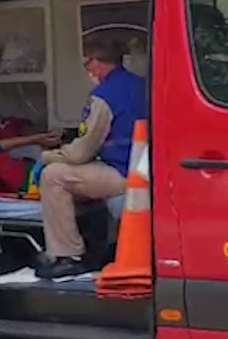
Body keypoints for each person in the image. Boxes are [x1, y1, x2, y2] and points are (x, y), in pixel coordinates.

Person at [35, 39, 146, 279]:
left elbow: (80, 152)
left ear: (97, 62)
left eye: (88, 63)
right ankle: (102, 244)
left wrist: (48, 156)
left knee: (53, 176)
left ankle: (67, 256)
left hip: (123, 174)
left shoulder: (103, 96)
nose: (88, 70)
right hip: (145, 168)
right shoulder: (141, 85)